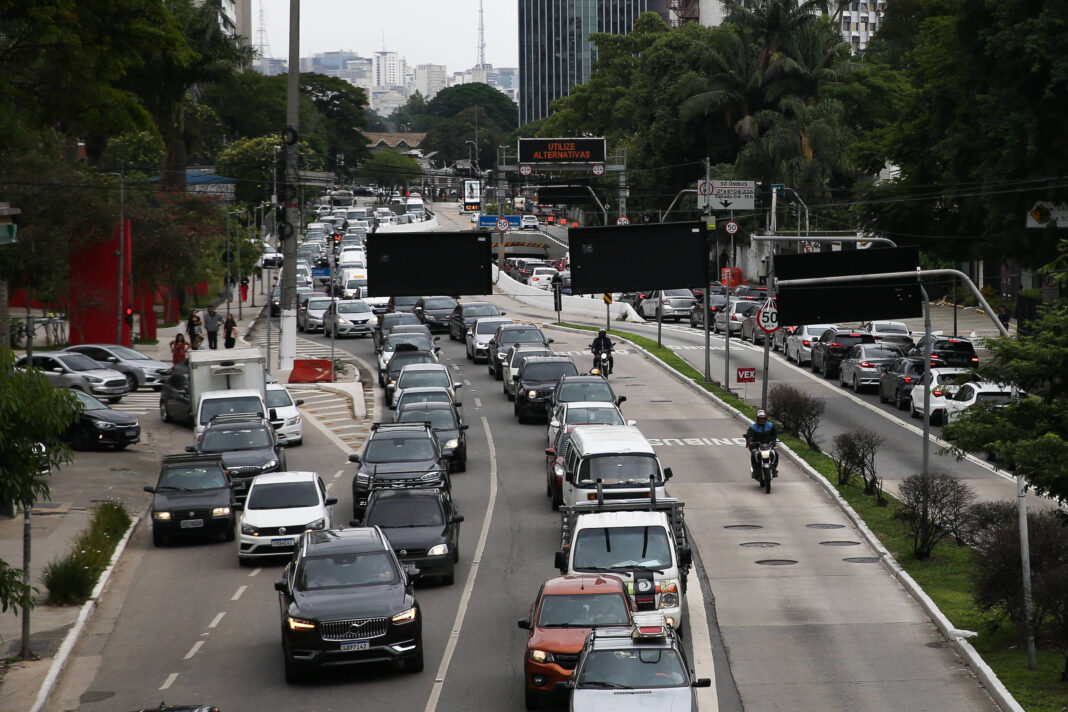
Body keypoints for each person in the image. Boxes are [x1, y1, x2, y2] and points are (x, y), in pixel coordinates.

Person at [745, 410, 778, 479]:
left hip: (768, 445)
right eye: (760, 418)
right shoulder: (752, 427)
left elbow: (774, 434)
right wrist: (750, 441)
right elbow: (749, 436)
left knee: (775, 453)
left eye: (763, 418)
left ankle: (774, 469)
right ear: (757, 419)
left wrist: (773, 442)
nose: (762, 420)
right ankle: (755, 470)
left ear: (766, 418)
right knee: (754, 454)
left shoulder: (770, 426)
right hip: (756, 446)